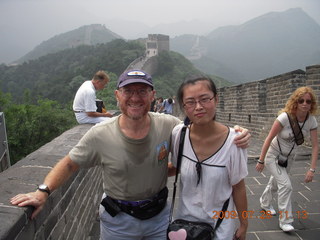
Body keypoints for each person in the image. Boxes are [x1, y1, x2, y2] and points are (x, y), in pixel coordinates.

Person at [10, 69, 250, 240]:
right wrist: (42, 192)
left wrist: (235, 132)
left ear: (152, 96)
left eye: (142, 91)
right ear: (117, 96)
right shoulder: (100, 134)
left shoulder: (169, 126)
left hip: (159, 217)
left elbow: (197, 133)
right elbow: (70, 163)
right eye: (128, 91)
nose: (135, 97)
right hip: (118, 221)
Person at [168, 76, 248, 240]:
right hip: (184, 227)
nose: (198, 107)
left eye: (204, 99)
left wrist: (244, 224)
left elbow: (238, 188)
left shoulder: (234, 141)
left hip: (219, 228)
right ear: (183, 107)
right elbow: (175, 167)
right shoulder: (179, 134)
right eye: (190, 102)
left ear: (216, 99)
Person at [255, 86, 318, 232]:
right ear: (296, 101)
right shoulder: (285, 117)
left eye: (308, 101)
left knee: (277, 183)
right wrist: (261, 160)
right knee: (286, 185)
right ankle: (285, 221)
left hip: (289, 158)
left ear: (312, 104)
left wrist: (312, 169)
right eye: (301, 100)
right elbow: (269, 138)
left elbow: (315, 146)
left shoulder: (311, 121)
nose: (304, 104)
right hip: (273, 155)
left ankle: (264, 203)